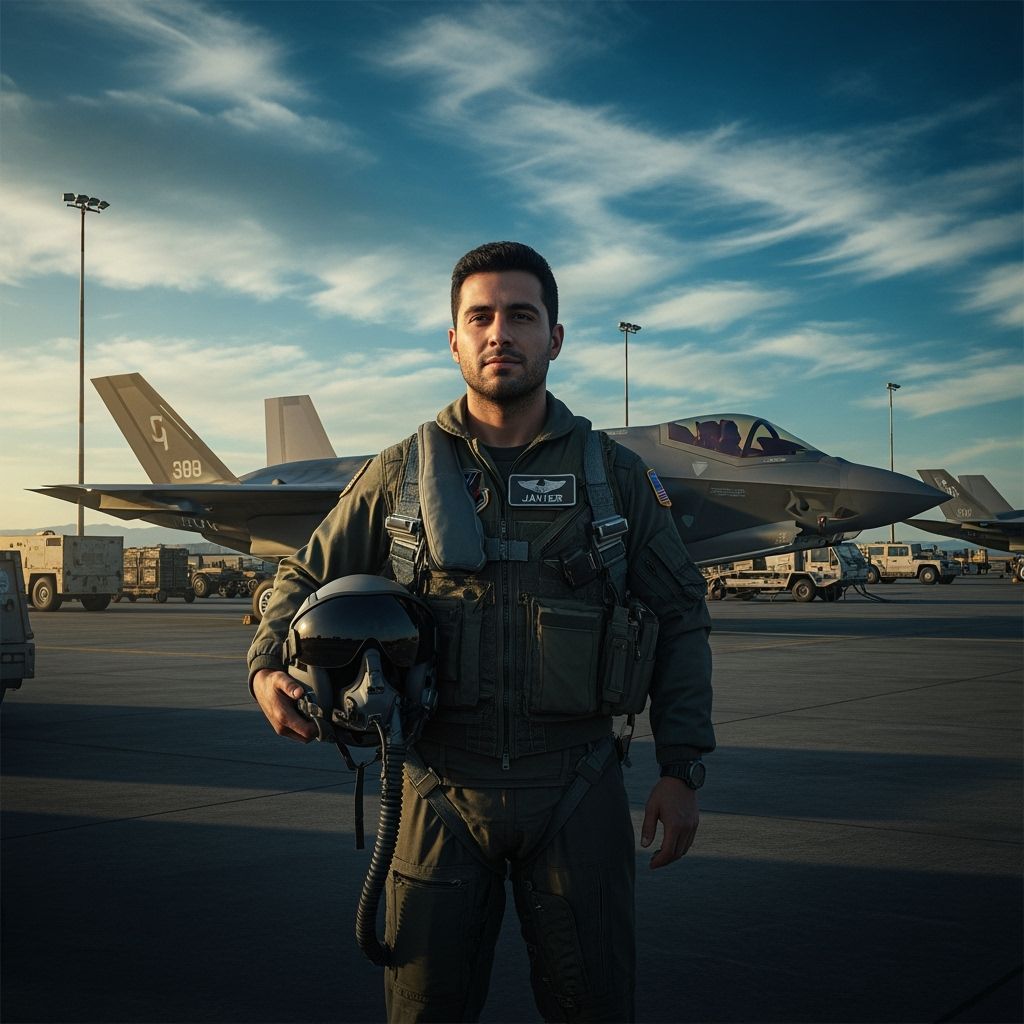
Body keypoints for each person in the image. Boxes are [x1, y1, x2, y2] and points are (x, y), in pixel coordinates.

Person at [247, 241, 714, 1023]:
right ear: (455, 339)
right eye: (481, 317)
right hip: (436, 788)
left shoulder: (615, 476)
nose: (501, 333)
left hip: (577, 785)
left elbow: (679, 616)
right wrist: (266, 666)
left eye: (522, 316)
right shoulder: (397, 474)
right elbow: (299, 577)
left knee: (595, 1005)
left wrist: (683, 768)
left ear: (554, 339)